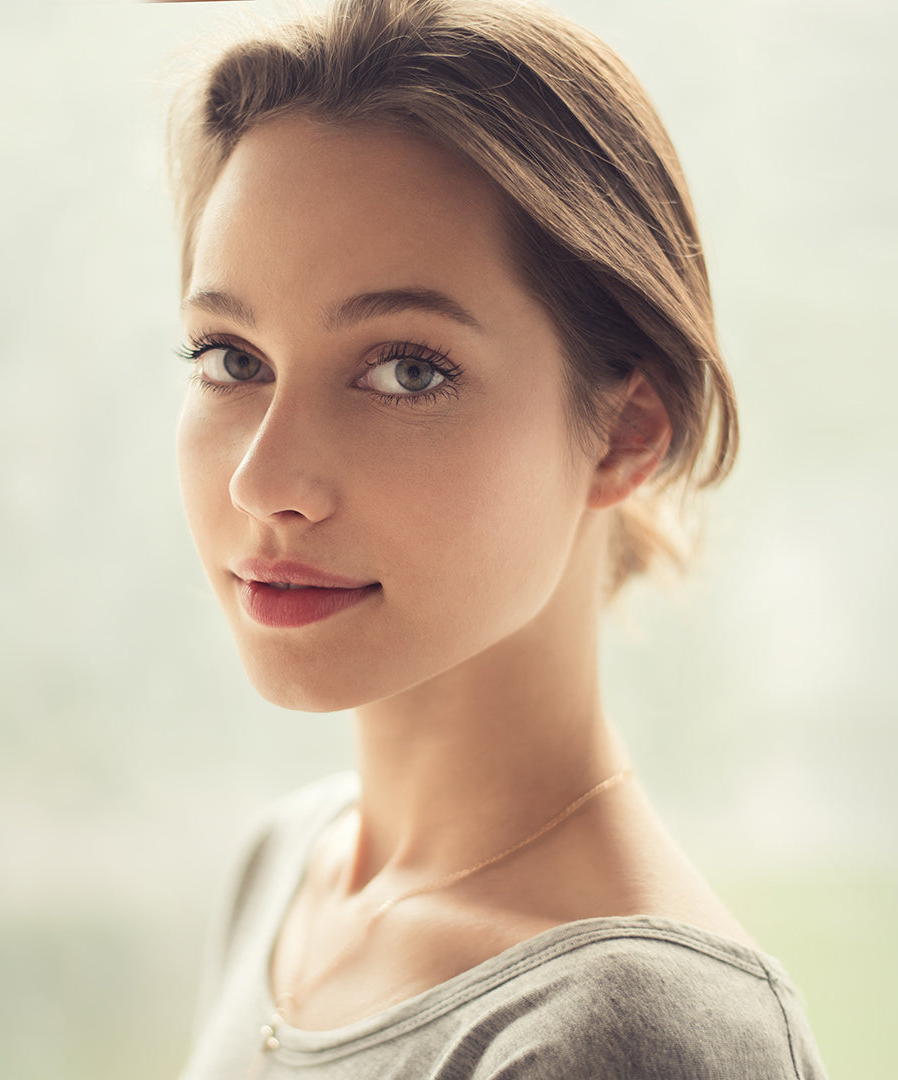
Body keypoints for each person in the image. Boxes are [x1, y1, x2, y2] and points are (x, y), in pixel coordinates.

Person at [167, 0, 829, 1076]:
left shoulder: (628, 1034)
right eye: (231, 358)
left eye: (407, 370)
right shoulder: (287, 869)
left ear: (626, 429)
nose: (265, 481)